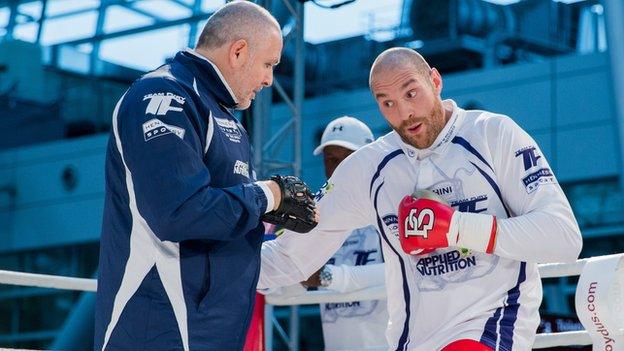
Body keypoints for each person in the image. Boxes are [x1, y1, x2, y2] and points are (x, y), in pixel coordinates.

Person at [259, 47, 582, 350]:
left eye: (411, 93)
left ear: (435, 81)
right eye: (387, 103)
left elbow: (564, 236)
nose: (405, 113)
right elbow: (292, 256)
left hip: (488, 327)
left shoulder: (492, 134)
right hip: (411, 339)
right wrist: (214, 265)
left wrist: (457, 227)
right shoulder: (368, 169)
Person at [94, 2, 316, 350]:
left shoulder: (222, 114)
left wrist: (272, 213)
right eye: (268, 64)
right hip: (159, 332)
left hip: (205, 332)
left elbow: (222, 219)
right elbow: (179, 211)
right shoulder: (163, 96)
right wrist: (268, 195)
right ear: (239, 51)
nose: (269, 79)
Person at [307, 116, 388, 351]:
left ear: (367, 159)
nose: (338, 168)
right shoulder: (314, 214)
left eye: (348, 159)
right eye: (331, 159)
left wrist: (330, 277)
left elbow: (404, 271)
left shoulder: (388, 206)